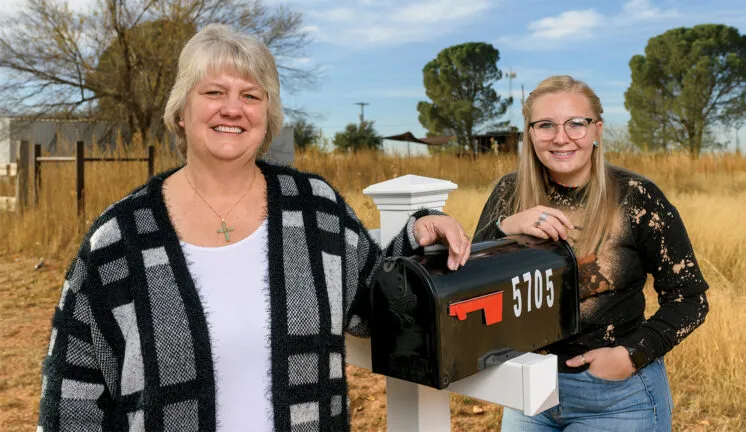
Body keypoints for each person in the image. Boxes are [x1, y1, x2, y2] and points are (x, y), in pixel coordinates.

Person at [37, 24, 471, 431]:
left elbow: (371, 300)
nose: (233, 108)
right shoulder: (120, 238)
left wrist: (418, 234)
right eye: (214, 91)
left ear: (268, 115)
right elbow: (73, 394)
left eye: (251, 95)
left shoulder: (313, 208)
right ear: (182, 111)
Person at [473, 75, 709, 431]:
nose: (561, 137)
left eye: (576, 124)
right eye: (546, 125)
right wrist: (505, 228)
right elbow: (470, 281)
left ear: (597, 130)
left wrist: (630, 355)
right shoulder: (510, 192)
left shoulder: (636, 197)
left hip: (616, 397)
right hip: (529, 390)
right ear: (530, 133)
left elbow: (690, 298)